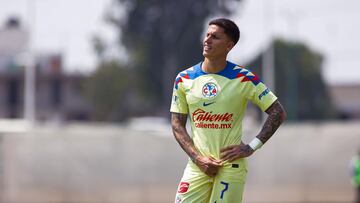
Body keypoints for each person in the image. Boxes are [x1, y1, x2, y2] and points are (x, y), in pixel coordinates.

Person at [170, 18, 286, 203]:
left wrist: (251, 147)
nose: (207, 40)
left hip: (230, 167)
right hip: (198, 166)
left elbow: (278, 112)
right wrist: (198, 158)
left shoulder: (244, 78)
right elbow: (177, 125)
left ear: (229, 45)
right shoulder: (184, 79)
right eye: (207, 35)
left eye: (215, 37)